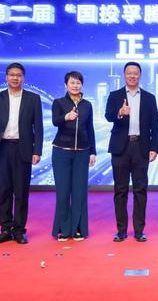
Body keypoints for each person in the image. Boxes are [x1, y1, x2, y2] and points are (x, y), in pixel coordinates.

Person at [0, 62, 43, 245]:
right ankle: (5, 229)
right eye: (12, 75)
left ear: (23, 78)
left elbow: (38, 127)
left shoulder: (33, 98)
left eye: (19, 75)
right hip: (1, 148)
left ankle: (19, 230)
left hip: (23, 148)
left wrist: (37, 151)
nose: (15, 78)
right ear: (6, 77)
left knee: (21, 192)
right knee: (4, 190)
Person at [105, 62, 158, 242]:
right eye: (129, 73)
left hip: (141, 147)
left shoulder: (149, 98)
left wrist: (154, 148)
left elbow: (155, 126)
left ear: (140, 75)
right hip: (120, 148)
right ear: (124, 75)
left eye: (135, 73)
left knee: (140, 190)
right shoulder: (115, 95)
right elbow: (108, 116)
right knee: (120, 190)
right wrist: (120, 112)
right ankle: (121, 230)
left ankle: (139, 230)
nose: (132, 76)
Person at [50, 71, 97, 241]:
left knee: (79, 192)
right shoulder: (58, 102)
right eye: (72, 83)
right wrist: (66, 117)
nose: (75, 86)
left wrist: (93, 151)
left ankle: (78, 228)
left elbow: (90, 128)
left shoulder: (87, 105)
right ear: (66, 85)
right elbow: (55, 121)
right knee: (63, 192)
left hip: (82, 153)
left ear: (82, 85)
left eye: (78, 83)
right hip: (61, 151)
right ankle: (64, 228)